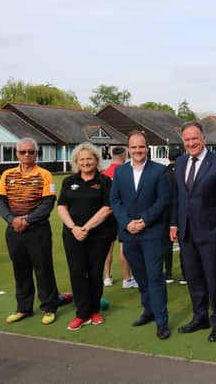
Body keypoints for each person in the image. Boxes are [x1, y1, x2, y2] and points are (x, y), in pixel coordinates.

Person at [169, 122, 216, 343]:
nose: (191, 143)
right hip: (186, 233)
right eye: (187, 140)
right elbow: (177, 197)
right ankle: (200, 317)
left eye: (195, 138)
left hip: (211, 232)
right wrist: (173, 224)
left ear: (203, 138)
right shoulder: (179, 163)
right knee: (194, 278)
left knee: (213, 279)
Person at [110, 131, 171, 340]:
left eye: (141, 147)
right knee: (141, 278)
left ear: (147, 148)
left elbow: (163, 201)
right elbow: (115, 200)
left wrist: (144, 221)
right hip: (129, 234)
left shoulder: (160, 171)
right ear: (128, 149)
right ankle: (149, 311)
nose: (138, 150)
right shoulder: (120, 172)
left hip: (152, 233)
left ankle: (162, 321)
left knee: (155, 277)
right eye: (134, 147)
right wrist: (127, 223)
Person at [0, 137, 60, 325]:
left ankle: (49, 307)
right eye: (23, 151)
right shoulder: (7, 174)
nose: (27, 155)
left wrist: (28, 220)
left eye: (30, 152)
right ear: (17, 154)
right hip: (14, 230)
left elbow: (48, 203)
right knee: (20, 269)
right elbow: (0, 201)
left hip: (38, 230)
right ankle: (23, 308)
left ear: (36, 154)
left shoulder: (45, 175)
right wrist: (12, 220)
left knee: (43, 269)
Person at [57, 143, 117, 331]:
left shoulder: (105, 181)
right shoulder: (68, 181)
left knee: (95, 273)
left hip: (99, 235)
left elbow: (107, 208)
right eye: (82, 159)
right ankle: (82, 314)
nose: (85, 162)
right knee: (77, 273)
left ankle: (94, 310)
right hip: (72, 234)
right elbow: (61, 207)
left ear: (96, 160)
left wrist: (86, 228)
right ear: (76, 162)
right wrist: (74, 228)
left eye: (89, 158)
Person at [102, 146, 137, 289]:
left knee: (108, 247)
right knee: (124, 246)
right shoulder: (127, 172)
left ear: (110, 155)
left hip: (107, 214)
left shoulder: (104, 173)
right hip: (122, 213)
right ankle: (127, 279)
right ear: (124, 155)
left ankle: (107, 277)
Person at [163, 147, 185, 284]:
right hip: (181, 210)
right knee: (184, 243)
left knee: (167, 244)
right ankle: (185, 274)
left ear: (168, 157)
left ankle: (169, 273)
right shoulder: (183, 172)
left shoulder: (163, 172)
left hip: (166, 211)